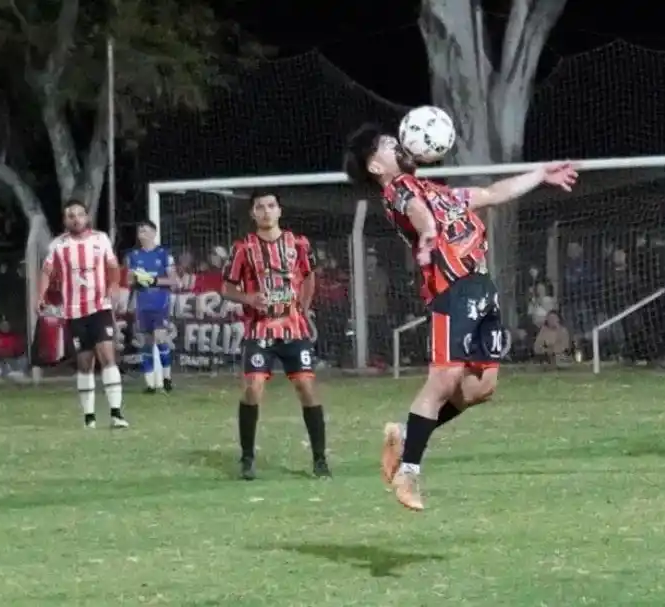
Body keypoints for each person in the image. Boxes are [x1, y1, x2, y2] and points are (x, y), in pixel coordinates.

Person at [343, 124, 577, 511]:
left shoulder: (441, 192)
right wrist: (429, 234)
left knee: (480, 389)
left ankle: (404, 434)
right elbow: (419, 216)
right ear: (374, 166)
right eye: (387, 144)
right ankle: (409, 473)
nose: (396, 144)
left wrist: (540, 175)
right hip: (451, 289)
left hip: (481, 289)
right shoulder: (398, 190)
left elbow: (490, 194)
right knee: (445, 378)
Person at [221, 192, 327, 480]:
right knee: (253, 388)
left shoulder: (299, 244)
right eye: (260, 208)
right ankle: (247, 457)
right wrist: (248, 298)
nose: (266, 212)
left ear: (279, 210)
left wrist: (304, 308)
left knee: (306, 388)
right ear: (253, 214)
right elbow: (226, 288)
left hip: (293, 328)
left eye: (271, 206)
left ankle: (320, 460)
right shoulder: (243, 248)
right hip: (260, 329)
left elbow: (308, 276)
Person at [37, 199, 129, 429]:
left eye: (79, 214)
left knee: (108, 356)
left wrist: (115, 285)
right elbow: (46, 271)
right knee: (84, 363)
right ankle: (89, 417)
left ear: (87, 217)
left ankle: (116, 414)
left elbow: (112, 266)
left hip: (99, 306)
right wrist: (40, 296)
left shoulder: (101, 239)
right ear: (65, 220)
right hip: (74, 311)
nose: (76, 219)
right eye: (71, 215)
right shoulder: (58, 245)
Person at [125, 221, 179, 393]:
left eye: (145, 230)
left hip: (160, 302)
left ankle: (167, 379)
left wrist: (153, 280)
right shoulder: (134, 255)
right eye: (139, 230)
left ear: (153, 233)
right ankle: (149, 385)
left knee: (161, 339)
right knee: (146, 343)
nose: (142, 234)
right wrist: (137, 278)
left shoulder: (163, 254)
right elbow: (128, 280)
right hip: (143, 304)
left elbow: (174, 280)